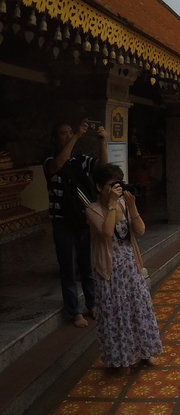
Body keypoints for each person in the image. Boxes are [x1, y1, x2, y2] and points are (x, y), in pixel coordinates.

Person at [85, 163, 162, 374]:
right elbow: (107, 233)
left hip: (130, 265)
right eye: (112, 185)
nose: (117, 189)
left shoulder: (124, 204)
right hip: (109, 271)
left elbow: (140, 230)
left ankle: (146, 352)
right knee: (116, 315)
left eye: (118, 184)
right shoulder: (92, 209)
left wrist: (133, 207)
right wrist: (111, 205)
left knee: (139, 310)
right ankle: (122, 360)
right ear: (100, 187)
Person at [45, 119, 108, 327]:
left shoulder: (80, 160)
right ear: (55, 138)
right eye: (63, 133)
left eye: (69, 132)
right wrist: (77, 136)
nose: (68, 135)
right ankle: (74, 310)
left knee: (86, 266)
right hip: (62, 222)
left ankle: (92, 303)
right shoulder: (49, 161)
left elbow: (103, 168)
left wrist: (102, 143)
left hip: (81, 220)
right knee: (68, 268)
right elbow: (59, 164)